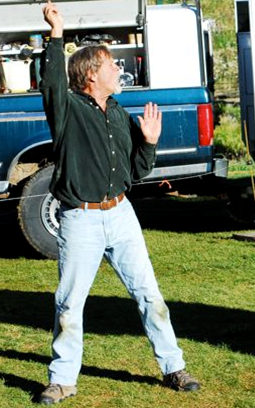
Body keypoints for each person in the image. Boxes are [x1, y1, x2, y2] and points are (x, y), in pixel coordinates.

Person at [38, 1, 200, 404]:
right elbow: (53, 82)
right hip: (81, 219)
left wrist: (149, 143)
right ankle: (61, 380)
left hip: (121, 214)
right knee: (69, 303)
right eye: (112, 65)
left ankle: (174, 368)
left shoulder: (119, 115)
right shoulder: (69, 110)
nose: (118, 71)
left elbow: (136, 173)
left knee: (150, 296)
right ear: (91, 74)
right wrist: (56, 33)